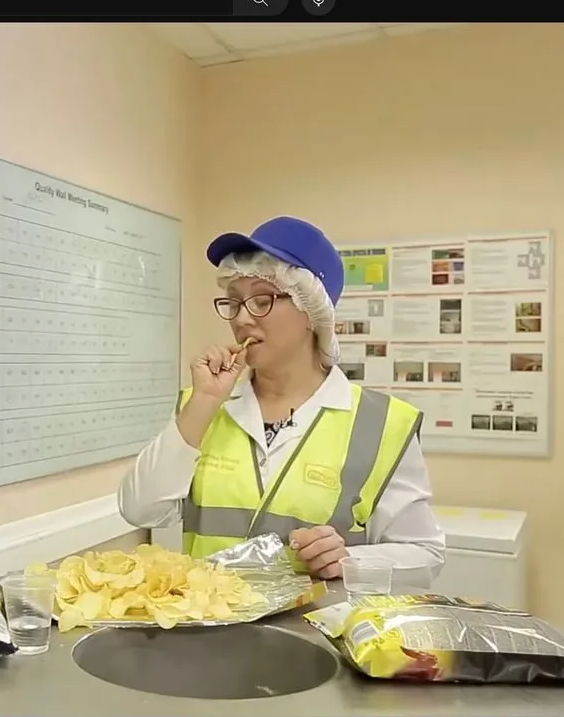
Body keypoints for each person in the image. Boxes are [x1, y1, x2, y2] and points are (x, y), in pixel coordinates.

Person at [117, 216, 445, 586]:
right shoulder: (202, 406)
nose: (241, 319)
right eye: (234, 302)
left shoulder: (383, 423)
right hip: (208, 636)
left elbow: (424, 554)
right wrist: (205, 402)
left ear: (312, 311)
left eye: (261, 300)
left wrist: (347, 559)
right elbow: (139, 509)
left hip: (317, 638)